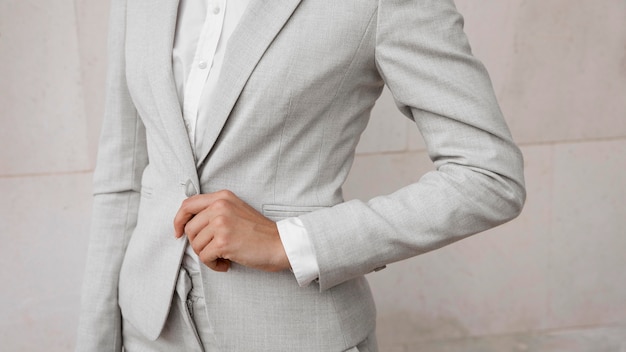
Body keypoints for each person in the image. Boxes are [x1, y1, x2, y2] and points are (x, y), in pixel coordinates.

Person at [76, 0, 526, 351]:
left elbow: (488, 174)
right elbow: (124, 179)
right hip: (148, 329)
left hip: (293, 332)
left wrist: (291, 241)